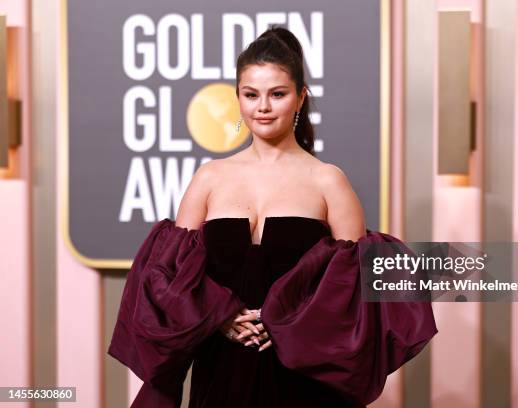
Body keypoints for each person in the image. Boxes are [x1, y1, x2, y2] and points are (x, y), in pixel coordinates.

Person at [108, 26, 437, 408]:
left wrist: (287, 321)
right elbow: (171, 283)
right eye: (251, 95)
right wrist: (220, 317)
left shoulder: (328, 181)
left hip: (303, 381)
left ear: (300, 98)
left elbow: (352, 297)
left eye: (277, 94)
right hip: (220, 372)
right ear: (238, 99)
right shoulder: (209, 179)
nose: (262, 107)